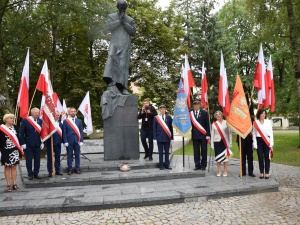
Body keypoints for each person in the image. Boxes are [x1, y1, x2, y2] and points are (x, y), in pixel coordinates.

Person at [103, 0, 136, 94]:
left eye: (124, 7)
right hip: (114, 43)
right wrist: (119, 21)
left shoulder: (130, 19)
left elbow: (133, 32)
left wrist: (124, 23)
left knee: (122, 65)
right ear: (117, 7)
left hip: (125, 43)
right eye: (121, 7)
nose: (122, 9)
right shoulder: (111, 16)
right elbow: (108, 27)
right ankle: (111, 83)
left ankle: (122, 87)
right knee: (111, 61)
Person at [0, 114, 24, 192]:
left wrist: (21, 145)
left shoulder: (15, 127)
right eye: (11, 118)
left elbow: (18, 137)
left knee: (14, 167)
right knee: (7, 167)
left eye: (13, 118)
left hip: (14, 149)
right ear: (6, 119)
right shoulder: (1, 128)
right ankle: (8, 185)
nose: (12, 119)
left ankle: (14, 184)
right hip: (6, 150)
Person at [19, 107, 43, 180]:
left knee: (37, 160)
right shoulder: (25, 120)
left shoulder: (40, 121)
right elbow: (21, 133)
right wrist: (23, 143)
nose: (37, 114)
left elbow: (42, 133)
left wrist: (42, 142)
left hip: (37, 143)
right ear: (32, 113)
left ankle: (36, 173)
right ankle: (30, 174)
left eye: (38, 113)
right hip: (28, 144)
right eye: (36, 113)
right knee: (29, 160)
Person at [252, 108, 274, 179]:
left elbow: (271, 133)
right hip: (259, 141)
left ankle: (267, 172)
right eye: (262, 113)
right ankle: (261, 172)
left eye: (264, 113)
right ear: (259, 114)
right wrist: (255, 143)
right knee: (260, 157)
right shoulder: (255, 123)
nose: (263, 115)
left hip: (266, 141)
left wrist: (271, 143)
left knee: (267, 157)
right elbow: (254, 134)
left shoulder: (268, 122)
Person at [190, 100, 211, 171]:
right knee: (196, 151)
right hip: (195, 135)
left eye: (198, 105)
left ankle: (203, 165)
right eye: (195, 105)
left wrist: (208, 134)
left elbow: (207, 124)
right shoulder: (191, 114)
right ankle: (197, 165)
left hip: (203, 135)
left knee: (204, 151)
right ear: (193, 106)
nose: (196, 106)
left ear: (200, 106)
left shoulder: (204, 113)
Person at [211, 111, 232, 177]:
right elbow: (212, 135)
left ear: (222, 115)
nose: (218, 116)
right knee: (218, 158)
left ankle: (225, 171)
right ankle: (219, 171)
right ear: (215, 116)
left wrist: (230, 142)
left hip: (225, 142)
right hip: (217, 142)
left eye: (219, 114)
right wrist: (212, 144)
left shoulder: (226, 122)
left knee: (225, 158)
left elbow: (229, 133)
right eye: (217, 115)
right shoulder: (214, 124)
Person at [63, 107, 84, 175]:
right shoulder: (66, 121)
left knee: (77, 155)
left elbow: (81, 131)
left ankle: (77, 169)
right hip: (69, 141)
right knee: (69, 155)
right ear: (69, 112)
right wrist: (65, 141)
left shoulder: (79, 121)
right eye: (71, 111)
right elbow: (64, 132)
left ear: (76, 112)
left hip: (77, 141)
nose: (73, 112)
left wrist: (81, 141)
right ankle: (70, 169)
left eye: (74, 111)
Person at [153, 105, 174, 170]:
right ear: (159, 110)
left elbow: (171, 128)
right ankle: (161, 165)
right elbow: (154, 128)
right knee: (160, 152)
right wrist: (154, 138)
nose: (162, 110)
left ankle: (167, 164)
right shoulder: (156, 118)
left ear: (165, 110)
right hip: (159, 138)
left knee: (167, 152)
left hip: (167, 138)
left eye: (163, 109)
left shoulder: (169, 117)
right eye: (161, 109)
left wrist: (172, 138)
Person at [46, 111, 63, 177]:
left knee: (58, 157)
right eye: (56, 115)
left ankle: (57, 170)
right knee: (50, 157)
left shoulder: (60, 124)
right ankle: (50, 171)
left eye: (58, 115)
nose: (57, 116)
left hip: (58, 142)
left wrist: (62, 141)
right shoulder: (50, 123)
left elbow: (62, 133)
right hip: (50, 142)